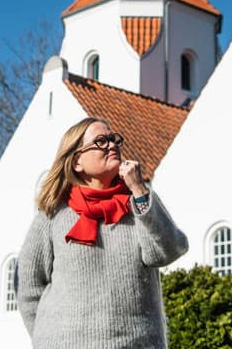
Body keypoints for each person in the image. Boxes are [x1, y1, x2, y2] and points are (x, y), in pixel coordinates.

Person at [17, 117, 188, 348]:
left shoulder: (137, 203)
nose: (112, 145)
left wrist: (139, 189)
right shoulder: (53, 214)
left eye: (113, 139)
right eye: (101, 141)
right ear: (77, 161)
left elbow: (167, 251)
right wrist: (47, 336)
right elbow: (28, 284)